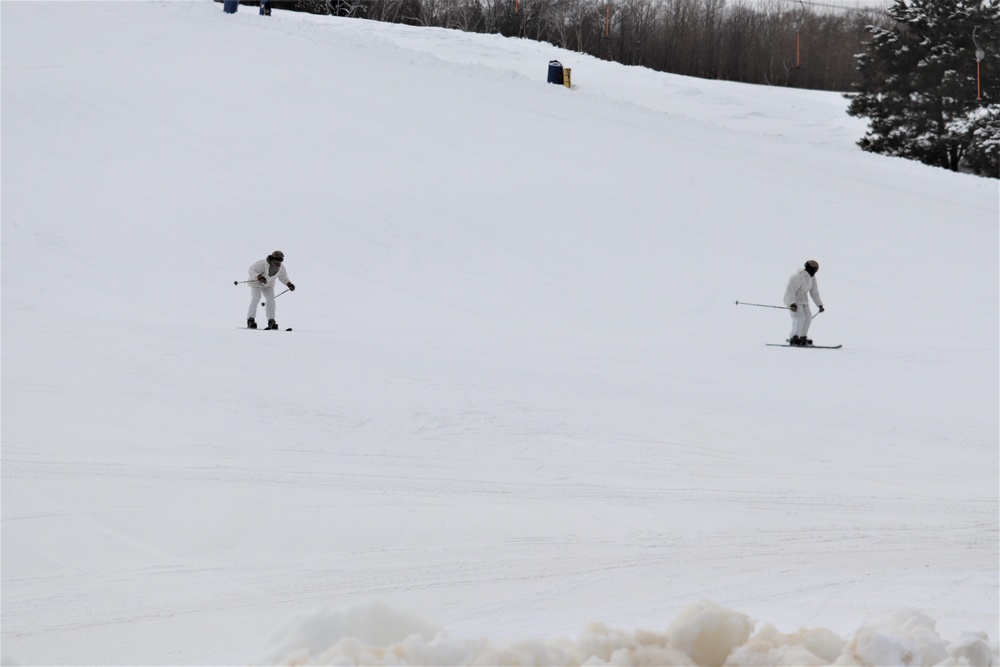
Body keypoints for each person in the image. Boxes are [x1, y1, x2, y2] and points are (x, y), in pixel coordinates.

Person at [246, 250, 295, 329]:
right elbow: (251, 270)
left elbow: (283, 278)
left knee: (271, 300)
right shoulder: (262, 263)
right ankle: (250, 320)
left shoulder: (281, 268)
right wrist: (259, 277)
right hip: (256, 283)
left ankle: (271, 321)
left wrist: (289, 284)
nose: (279, 262)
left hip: (268, 285)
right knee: (256, 298)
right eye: (277, 260)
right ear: (272, 259)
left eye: (281, 260)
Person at [783, 259, 825, 346]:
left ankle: (802, 337)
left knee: (808, 317)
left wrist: (819, 304)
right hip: (793, 300)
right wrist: (792, 303)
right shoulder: (798, 277)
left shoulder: (812, 279)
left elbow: (814, 293)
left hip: (803, 301)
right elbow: (790, 291)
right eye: (814, 269)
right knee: (800, 317)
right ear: (809, 269)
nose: (815, 271)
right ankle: (794, 337)